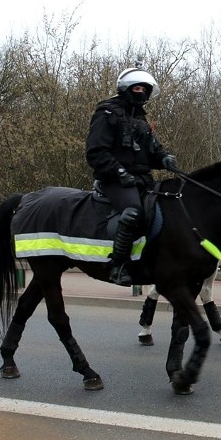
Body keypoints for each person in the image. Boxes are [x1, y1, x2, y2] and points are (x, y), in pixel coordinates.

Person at [86, 63, 179, 286]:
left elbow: (152, 150)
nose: (142, 93)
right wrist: (118, 171)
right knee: (133, 212)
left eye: (145, 90)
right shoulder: (107, 112)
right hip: (114, 180)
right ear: (126, 88)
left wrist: (164, 158)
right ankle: (118, 265)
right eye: (137, 89)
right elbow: (95, 151)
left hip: (141, 179)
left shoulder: (140, 118)